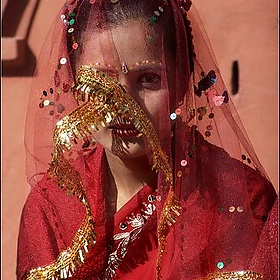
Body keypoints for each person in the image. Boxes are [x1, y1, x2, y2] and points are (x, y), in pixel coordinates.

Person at [17, 0, 278, 279]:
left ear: (181, 82)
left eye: (148, 79)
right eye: (101, 82)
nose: (124, 105)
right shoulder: (51, 206)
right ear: (74, 86)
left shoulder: (242, 201)